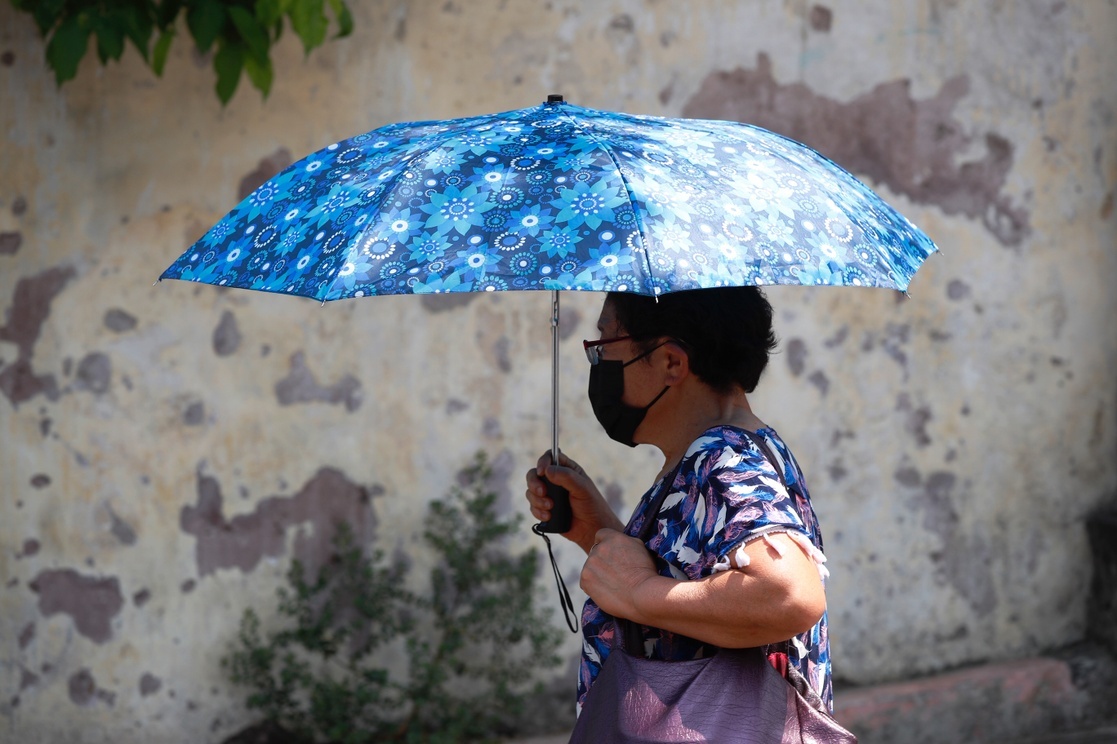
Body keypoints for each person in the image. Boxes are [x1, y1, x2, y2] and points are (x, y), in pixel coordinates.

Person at [524, 286, 833, 717]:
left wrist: (638, 591)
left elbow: (790, 595)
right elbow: (691, 582)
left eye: (603, 346)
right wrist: (597, 529)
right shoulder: (722, 451)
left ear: (671, 362)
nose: (597, 364)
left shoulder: (724, 458)